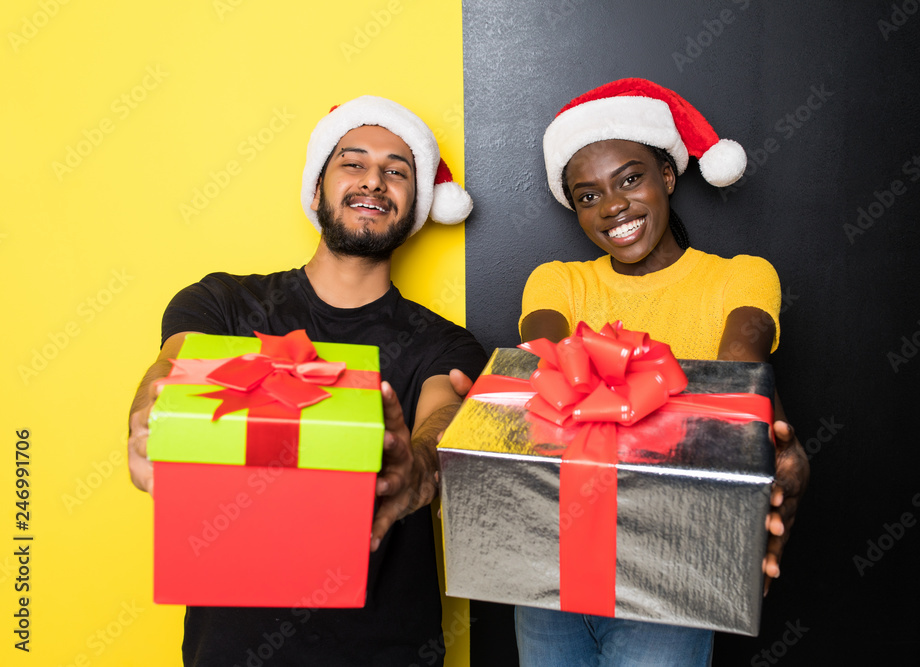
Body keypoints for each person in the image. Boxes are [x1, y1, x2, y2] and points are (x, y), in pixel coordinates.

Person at [127, 95, 488, 666]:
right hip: (230, 652)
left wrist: (417, 470)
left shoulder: (445, 343)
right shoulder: (224, 303)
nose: (374, 180)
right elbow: (172, 367)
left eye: (397, 171)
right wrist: (149, 417)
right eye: (353, 163)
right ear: (316, 191)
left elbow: (442, 418)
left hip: (386, 651)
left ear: (416, 206)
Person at [514, 79, 810, 665]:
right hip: (556, 559)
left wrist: (769, 446)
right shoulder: (556, 282)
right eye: (588, 195)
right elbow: (543, 369)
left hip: (672, 564)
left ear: (668, 176)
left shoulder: (741, 277)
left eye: (630, 179)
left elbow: (736, 387)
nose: (613, 207)